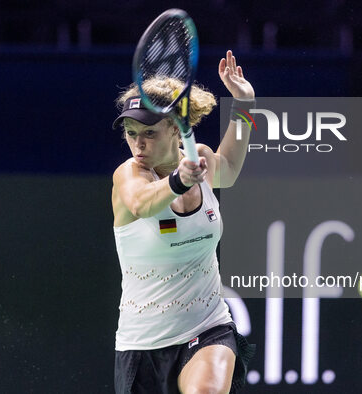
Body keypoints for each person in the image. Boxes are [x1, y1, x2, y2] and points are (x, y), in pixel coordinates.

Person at [111, 50, 255, 393]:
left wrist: (245, 104)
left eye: (149, 132)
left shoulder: (199, 157)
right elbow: (142, 203)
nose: (138, 143)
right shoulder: (129, 175)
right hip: (143, 342)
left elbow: (230, 171)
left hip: (207, 325)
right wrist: (178, 181)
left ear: (177, 129)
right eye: (131, 133)